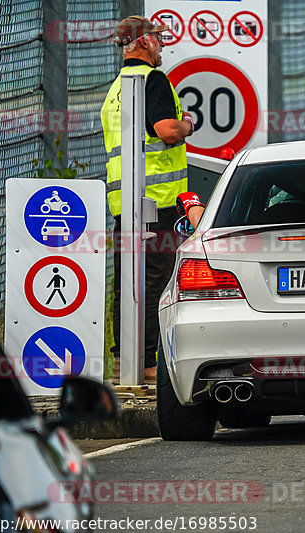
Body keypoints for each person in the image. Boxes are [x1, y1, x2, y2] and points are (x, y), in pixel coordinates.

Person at [101, 16, 196, 381]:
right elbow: (166, 131)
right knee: (157, 281)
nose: (162, 45)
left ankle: (125, 359)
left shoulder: (116, 89)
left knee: (126, 282)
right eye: (157, 38)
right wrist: (188, 124)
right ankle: (150, 364)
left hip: (124, 203)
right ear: (142, 43)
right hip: (156, 202)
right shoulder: (153, 80)